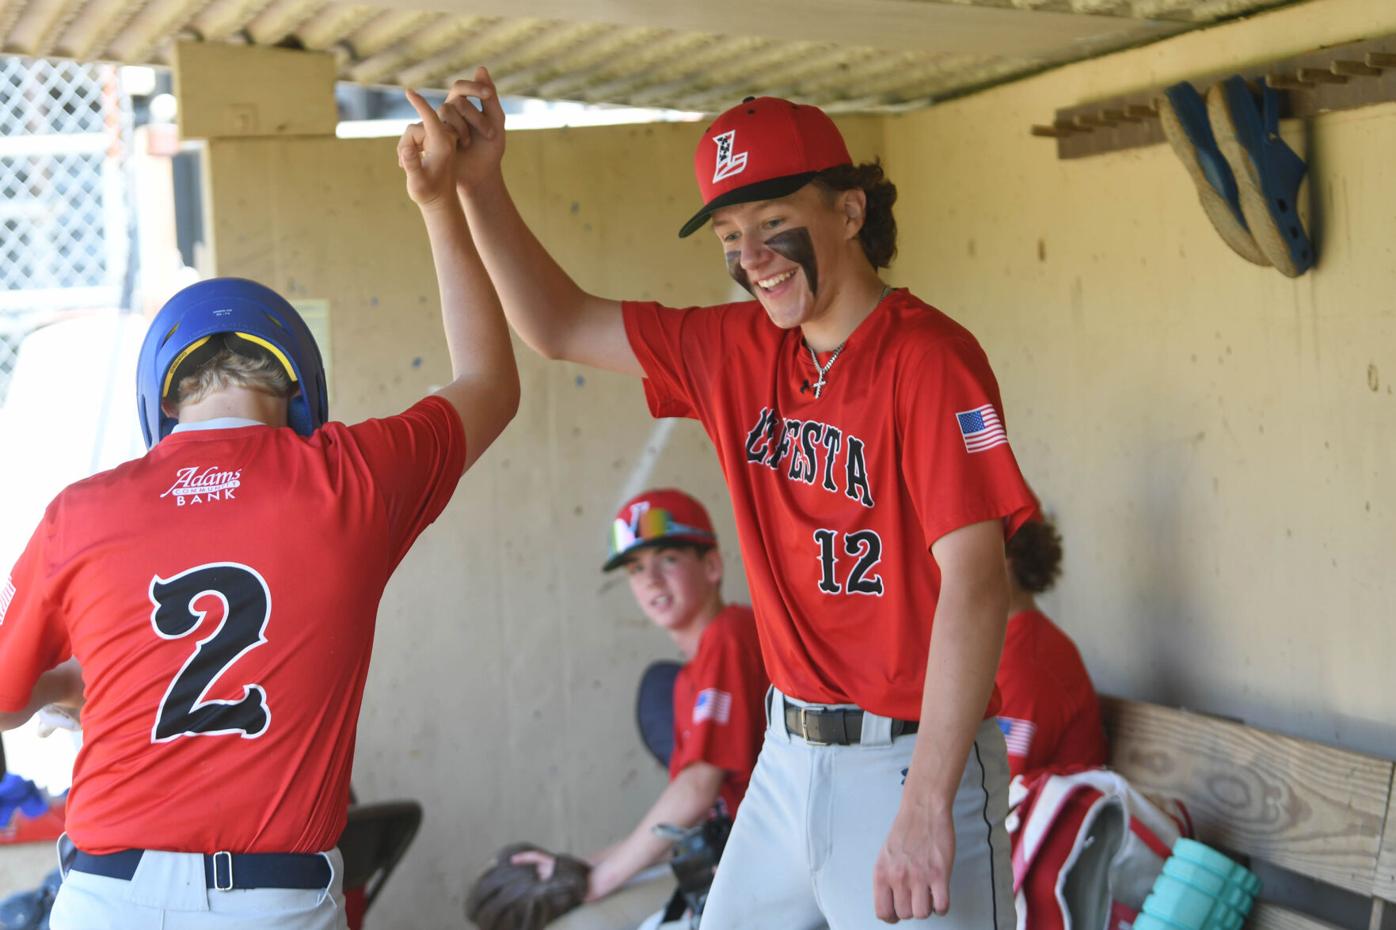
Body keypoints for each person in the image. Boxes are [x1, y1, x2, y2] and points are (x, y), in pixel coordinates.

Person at [437, 68, 1038, 929]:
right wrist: (481, 185)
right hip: (785, 760)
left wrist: (927, 803)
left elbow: (977, 584)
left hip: (907, 763)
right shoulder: (732, 350)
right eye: (727, 231)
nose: (749, 255)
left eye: (772, 224)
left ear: (849, 211)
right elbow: (558, 323)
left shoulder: (930, 359)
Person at [0, 90, 518, 929]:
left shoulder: (83, 512)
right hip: (269, 901)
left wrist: (76, 683)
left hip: (106, 897)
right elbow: (491, 384)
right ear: (300, 387)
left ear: (162, 396)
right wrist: (441, 200)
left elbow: (6, 698)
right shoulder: (351, 476)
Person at [515, 488, 768, 928]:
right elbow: (683, 823)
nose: (650, 579)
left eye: (667, 558)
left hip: (771, 862)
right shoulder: (691, 673)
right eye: (635, 568)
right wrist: (576, 867)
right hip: (734, 857)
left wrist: (599, 881)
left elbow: (697, 789)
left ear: (712, 565)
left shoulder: (731, 634)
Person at [995, 516, 1107, 779]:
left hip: (1052, 815)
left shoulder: (1027, 661)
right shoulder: (1007, 642)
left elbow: (1001, 784)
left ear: (1005, 565)